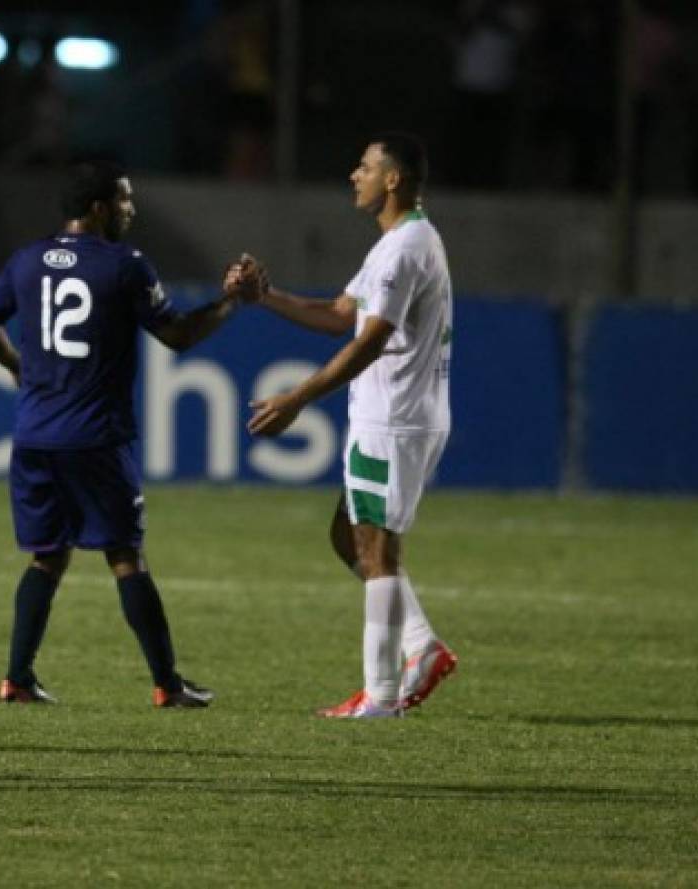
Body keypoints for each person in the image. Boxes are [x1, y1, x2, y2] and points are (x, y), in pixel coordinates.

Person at [0, 159, 240, 709]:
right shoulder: (124, 265)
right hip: (95, 439)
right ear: (96, 209)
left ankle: (16, 678)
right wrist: (230, 301)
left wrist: (17, 366)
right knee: (126, 556)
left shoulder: (26, 261)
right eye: (123, 200)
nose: (131, 209)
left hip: (35, 438)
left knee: (47, 556)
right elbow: (178, 335)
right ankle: (167, 683)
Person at [240, 133, 458, 719]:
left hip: (394, 419)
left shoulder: (406, 246)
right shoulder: (395, 244)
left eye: (364, 167)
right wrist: (265, 295)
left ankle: (381, 697)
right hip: (393, 417)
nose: (353, 175)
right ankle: (421, 648)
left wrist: (299, 398)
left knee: (377, 548)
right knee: (350, 537)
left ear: (393, 179)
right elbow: (341, 315)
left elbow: (371, 340)